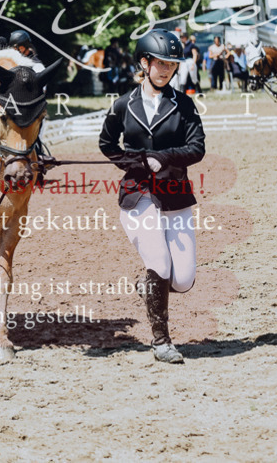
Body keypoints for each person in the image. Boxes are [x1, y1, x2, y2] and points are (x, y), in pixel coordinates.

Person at [99, 29, 205, 364]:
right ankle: (161, 342)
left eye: (172, 64)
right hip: (137, 195)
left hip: (174, 194)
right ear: (145, 63)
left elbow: (197, 148)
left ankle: (149, 287)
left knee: (184, 279)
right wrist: (133, 162)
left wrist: (167, 157)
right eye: (160, 63)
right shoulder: (122, 105)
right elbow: (106, 145)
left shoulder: (183, 104)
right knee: (158, 263)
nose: (166, 70)